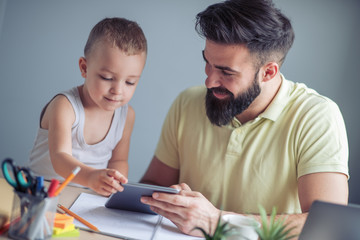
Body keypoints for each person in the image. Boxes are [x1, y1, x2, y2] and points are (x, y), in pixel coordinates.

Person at [140, 0, 349, 237]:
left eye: (226, 72)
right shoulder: (188, 102)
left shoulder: (316, 117)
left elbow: (330, 225)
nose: (209, 81)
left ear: (268, 72)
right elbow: (153, 187)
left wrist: (220, 223)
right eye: (207, 63)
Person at [28, 17, 147, 196]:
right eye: (107, 78)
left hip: (85, 199)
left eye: (130, 82)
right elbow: (60, 157)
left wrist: (115, 182)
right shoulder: (65, 106)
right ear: (84, 68)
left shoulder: (126, 115)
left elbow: (119, 160)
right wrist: (91, 177)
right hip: (41, 194)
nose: (118, 90)